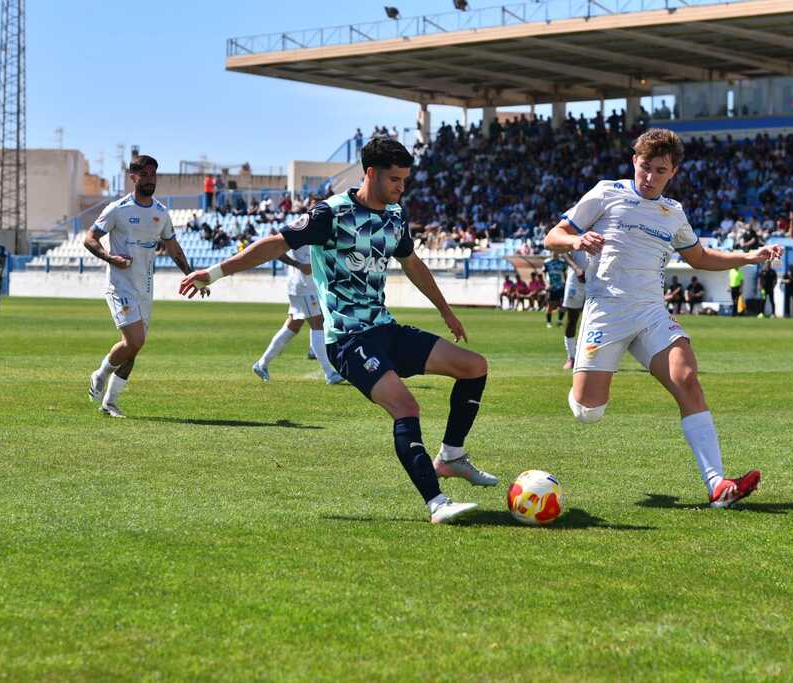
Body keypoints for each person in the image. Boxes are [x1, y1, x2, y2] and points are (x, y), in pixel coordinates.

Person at [180, 137, 496, 525]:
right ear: (370, 173)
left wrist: (445, 311)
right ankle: (437, 503)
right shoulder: (330, 214)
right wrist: (214, 272)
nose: (401, 187)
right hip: (348, 340)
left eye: (404, 180)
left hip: (385, 329)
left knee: (474, 367)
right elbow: (274, 245)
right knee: (406, 407)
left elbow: (412, 263)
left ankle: (451, 456)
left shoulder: (394, 216)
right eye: (395, 179)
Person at [544, 128, 780, 508]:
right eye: (645, 167)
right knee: (589, 411)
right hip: (607, 310)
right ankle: (583, 384)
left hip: (651, 312)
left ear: (673, 173)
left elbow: (700, 257)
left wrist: (748, 257)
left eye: (660, 171)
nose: (650, 177)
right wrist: (576, 240)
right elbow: (553, 236)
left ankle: (717, 485)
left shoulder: (674, 213)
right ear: (634, 162)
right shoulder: (606, 193)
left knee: (687, 377)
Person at [84, 155, 207, 418]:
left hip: (145, 288)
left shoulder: (160, 213)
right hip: (120, 286)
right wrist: (110, 257)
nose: (151, 180)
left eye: (154, 175)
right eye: (145, 175)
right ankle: (100, 374)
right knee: (135, 340)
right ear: (133, 177)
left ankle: (110, 402)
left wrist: (192, 275)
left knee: (134, 347)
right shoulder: (118, 209)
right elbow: (90, 238)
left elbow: (174, 248)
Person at [252, 240, 344, 385]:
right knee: (318, 323)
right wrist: (298, 265)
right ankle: (329, 373)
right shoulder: (298, 230)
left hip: (309, 285)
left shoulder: (318, 230)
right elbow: (276, 249)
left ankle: (261, 364)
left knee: (293, 326)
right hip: (303, 286)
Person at [561, 250, 587, 370]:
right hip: (576, 279)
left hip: (597, 278)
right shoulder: (573, 234)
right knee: (572, 319)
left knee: (599, 320)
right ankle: (571, 356)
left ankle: (593, 358)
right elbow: (563, 251)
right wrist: (576, 268)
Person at [542, 254, 568, 328]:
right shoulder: (547, 262)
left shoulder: (562, 262)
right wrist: (546, 283)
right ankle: (549, 322)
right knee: (550, 305)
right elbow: (543, 273)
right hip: (551, 287)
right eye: (553, 250)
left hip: (561, 287)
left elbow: (565, 273)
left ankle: (559, 321)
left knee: (563, 305)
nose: (555, 252)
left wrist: (566, 283)